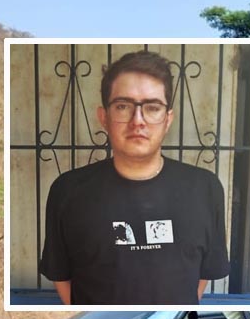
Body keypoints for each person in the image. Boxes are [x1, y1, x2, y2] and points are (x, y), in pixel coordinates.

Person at [40, 50, 230, 305]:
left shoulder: (205, 188)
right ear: (104, 117)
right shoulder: (68, 190)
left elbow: (201, 278)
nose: (137, 121)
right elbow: (62, 277)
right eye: (123, 106)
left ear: (167, 119)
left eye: (152, 108)